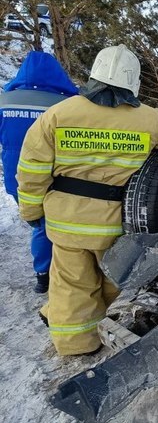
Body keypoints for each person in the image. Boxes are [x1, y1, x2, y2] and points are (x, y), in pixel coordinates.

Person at [17, 44, 158, 355]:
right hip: (116, 221)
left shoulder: (57, 115)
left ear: (93, 75)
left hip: (66, 222)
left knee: (71, 285)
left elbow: (31, 171)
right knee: (115, 279)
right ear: (133, 81)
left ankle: (77, 344)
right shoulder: (152, 119)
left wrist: (30, 210)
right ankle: (114, 332)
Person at [0, 51, 78, 293]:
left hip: (16, 176)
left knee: (38, 223)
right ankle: (52, 275)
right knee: (50, 224)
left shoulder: (5, 100)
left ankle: (44, 272)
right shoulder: (64, 104)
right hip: (52, 175)